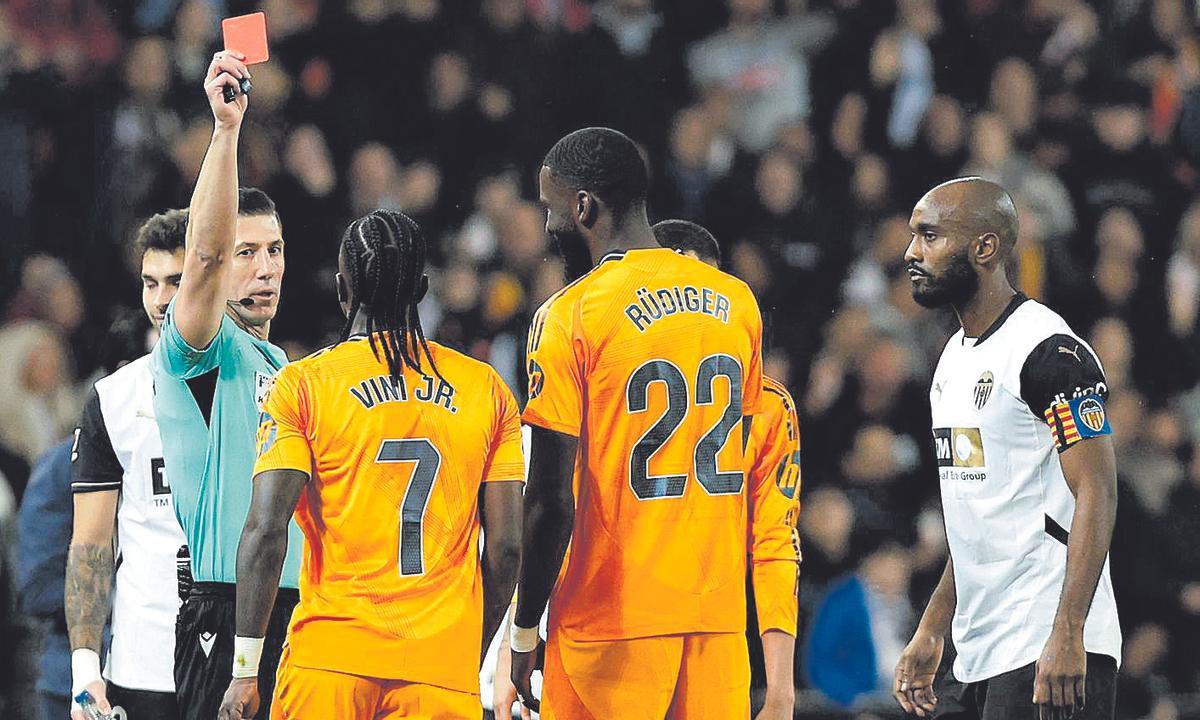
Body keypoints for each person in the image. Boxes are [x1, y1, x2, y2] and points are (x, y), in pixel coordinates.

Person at [509, 127, 789, 719]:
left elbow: (551, 501)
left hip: (610, 619)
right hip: (715, 623)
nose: (548, 225)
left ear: (583, 207)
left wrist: (524, 629)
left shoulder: (568, 315)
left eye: (549, 209)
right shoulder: (738, 302)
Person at [215, 209, 525, 719]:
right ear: (423, 290)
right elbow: (508, 549)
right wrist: (468, 648)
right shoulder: (486, 390)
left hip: (330, 663)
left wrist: (246, 670)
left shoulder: (304, 385)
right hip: (438, 667)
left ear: (343, 289)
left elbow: (265, 530)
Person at [894, 177, 1121, 720]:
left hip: (1048, 647)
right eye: (913, 236)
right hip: (977, 650)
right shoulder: (951, 359)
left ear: (986, 248)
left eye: (930, 236)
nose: (911, 253)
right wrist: (933, 624)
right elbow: (981, 515)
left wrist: (1068, 631)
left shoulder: (1049, 351)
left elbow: (1099, 490)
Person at [149, 51, 303, 720]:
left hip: (300, 617)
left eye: (274, 250)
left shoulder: (285, 368)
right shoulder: (205, 350)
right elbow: (203, 258)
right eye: (248, 252)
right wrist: (226, 130)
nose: (265, 267)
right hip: (226, 607)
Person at [654, 218, 804, 709]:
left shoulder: (766, 404)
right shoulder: (766, 402)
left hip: (656, 629)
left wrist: (781, 687)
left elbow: (775, 540)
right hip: (696, 635)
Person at [67, 209, 189, 720]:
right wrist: (84, 673)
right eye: (150, 283)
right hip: (142, 667)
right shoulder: (114, 399)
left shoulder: (268, 385)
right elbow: (91, 544)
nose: (161, 300)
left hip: (241, 662)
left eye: (177, 282)